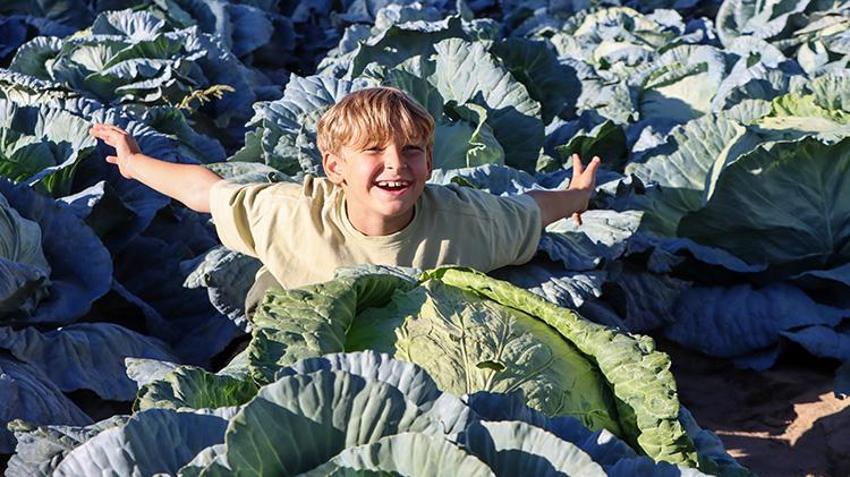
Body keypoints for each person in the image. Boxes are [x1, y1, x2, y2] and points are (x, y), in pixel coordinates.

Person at [89, 86, 600, 294]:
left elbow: (529, 210)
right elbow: (207, 191)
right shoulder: (290, 216)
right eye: (374, 151)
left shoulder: (469, 223)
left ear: (430, 162)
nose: (395, 165)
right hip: (307, 339)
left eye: (413, 151)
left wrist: (577, 197)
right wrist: (134, 165)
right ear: (334, 167)